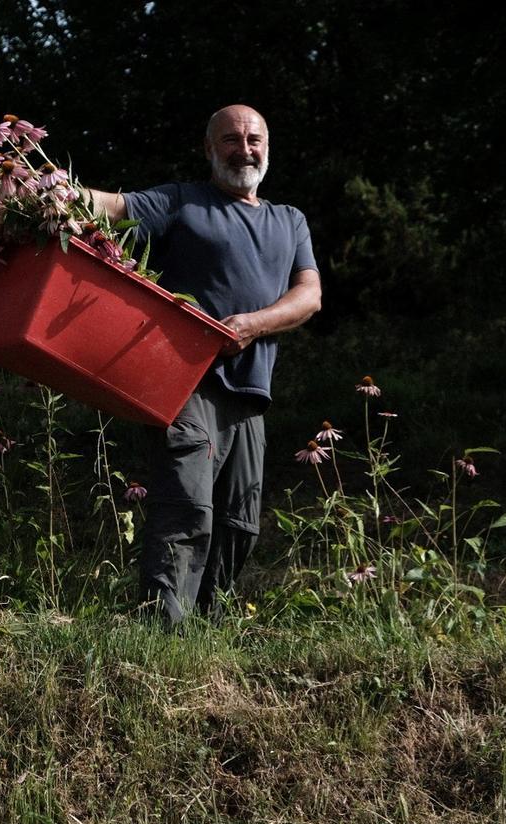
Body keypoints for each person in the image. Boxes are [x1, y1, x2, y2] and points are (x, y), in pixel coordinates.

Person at [84, 104, 322, 623]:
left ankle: (206, 635)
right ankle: (162, 632)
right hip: (183, 381)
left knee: (241, 523)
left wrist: (254, 324)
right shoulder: (182, 202)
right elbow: (114, 206)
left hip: (250, 393)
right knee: (187, 505)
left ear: (267, 147)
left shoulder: (290, 220)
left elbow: (309, 295)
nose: (244, 149)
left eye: (254, 139)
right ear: (209, 149)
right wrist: (52, 191)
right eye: (231, 140)